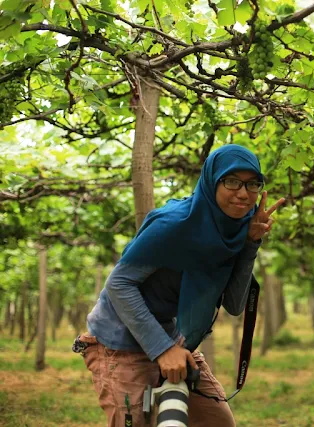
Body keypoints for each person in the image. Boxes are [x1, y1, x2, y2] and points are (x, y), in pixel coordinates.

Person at [73, 144, 285, 427]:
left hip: (170, 337)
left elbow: (234, 304)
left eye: (252, 183)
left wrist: (249, 244)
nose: (244, 193)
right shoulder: (174, 225)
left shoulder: (234, 230)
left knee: (218, 422)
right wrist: (162, 349)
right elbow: (119, 285)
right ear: (212, 181)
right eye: (232, 181)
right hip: (119, 342)